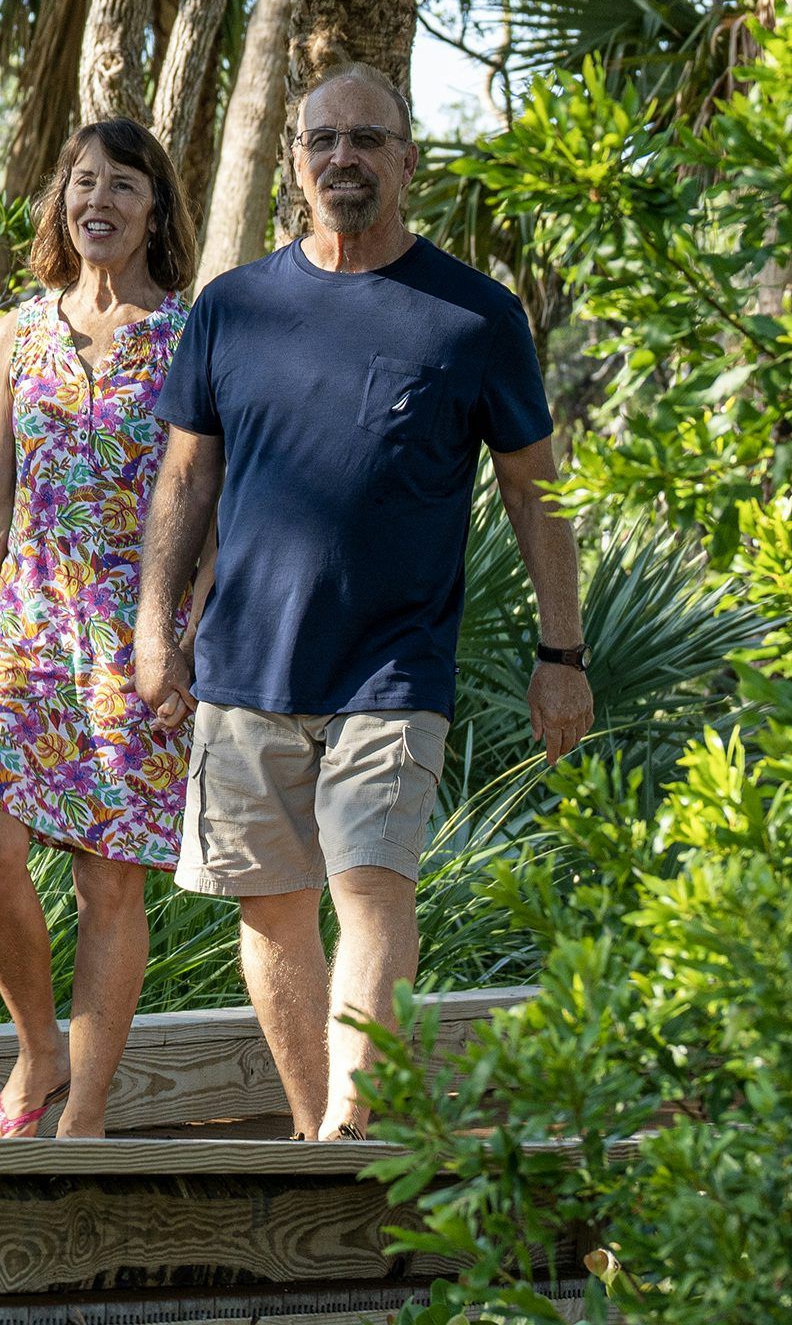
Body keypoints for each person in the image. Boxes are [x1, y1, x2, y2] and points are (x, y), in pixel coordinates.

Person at [134, 62, 594, 1140]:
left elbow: (537, 489)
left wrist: (560, 649)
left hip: (396, 665)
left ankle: (352, 1112)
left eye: (367, 138)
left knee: (373, 883)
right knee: (271, 906)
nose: (344, 157)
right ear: (295, 161)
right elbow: (184, 479)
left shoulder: (472, 315)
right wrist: (157, 627)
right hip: (247, 661)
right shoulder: (233, 306)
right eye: (323, 140)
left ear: (406, 159)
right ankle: (318, 1138)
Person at [0, 119, 199, 1139]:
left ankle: (81, 1112)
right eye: (84, 181)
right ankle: (38, 1045)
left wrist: (186, 625)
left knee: (106, 873)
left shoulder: (189, 335)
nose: (100, 200)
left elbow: (209, 496)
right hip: (26, 627)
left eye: (124, 185)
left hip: (137, 632)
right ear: (61, 202)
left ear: (155, 210)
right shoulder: (16, 334)